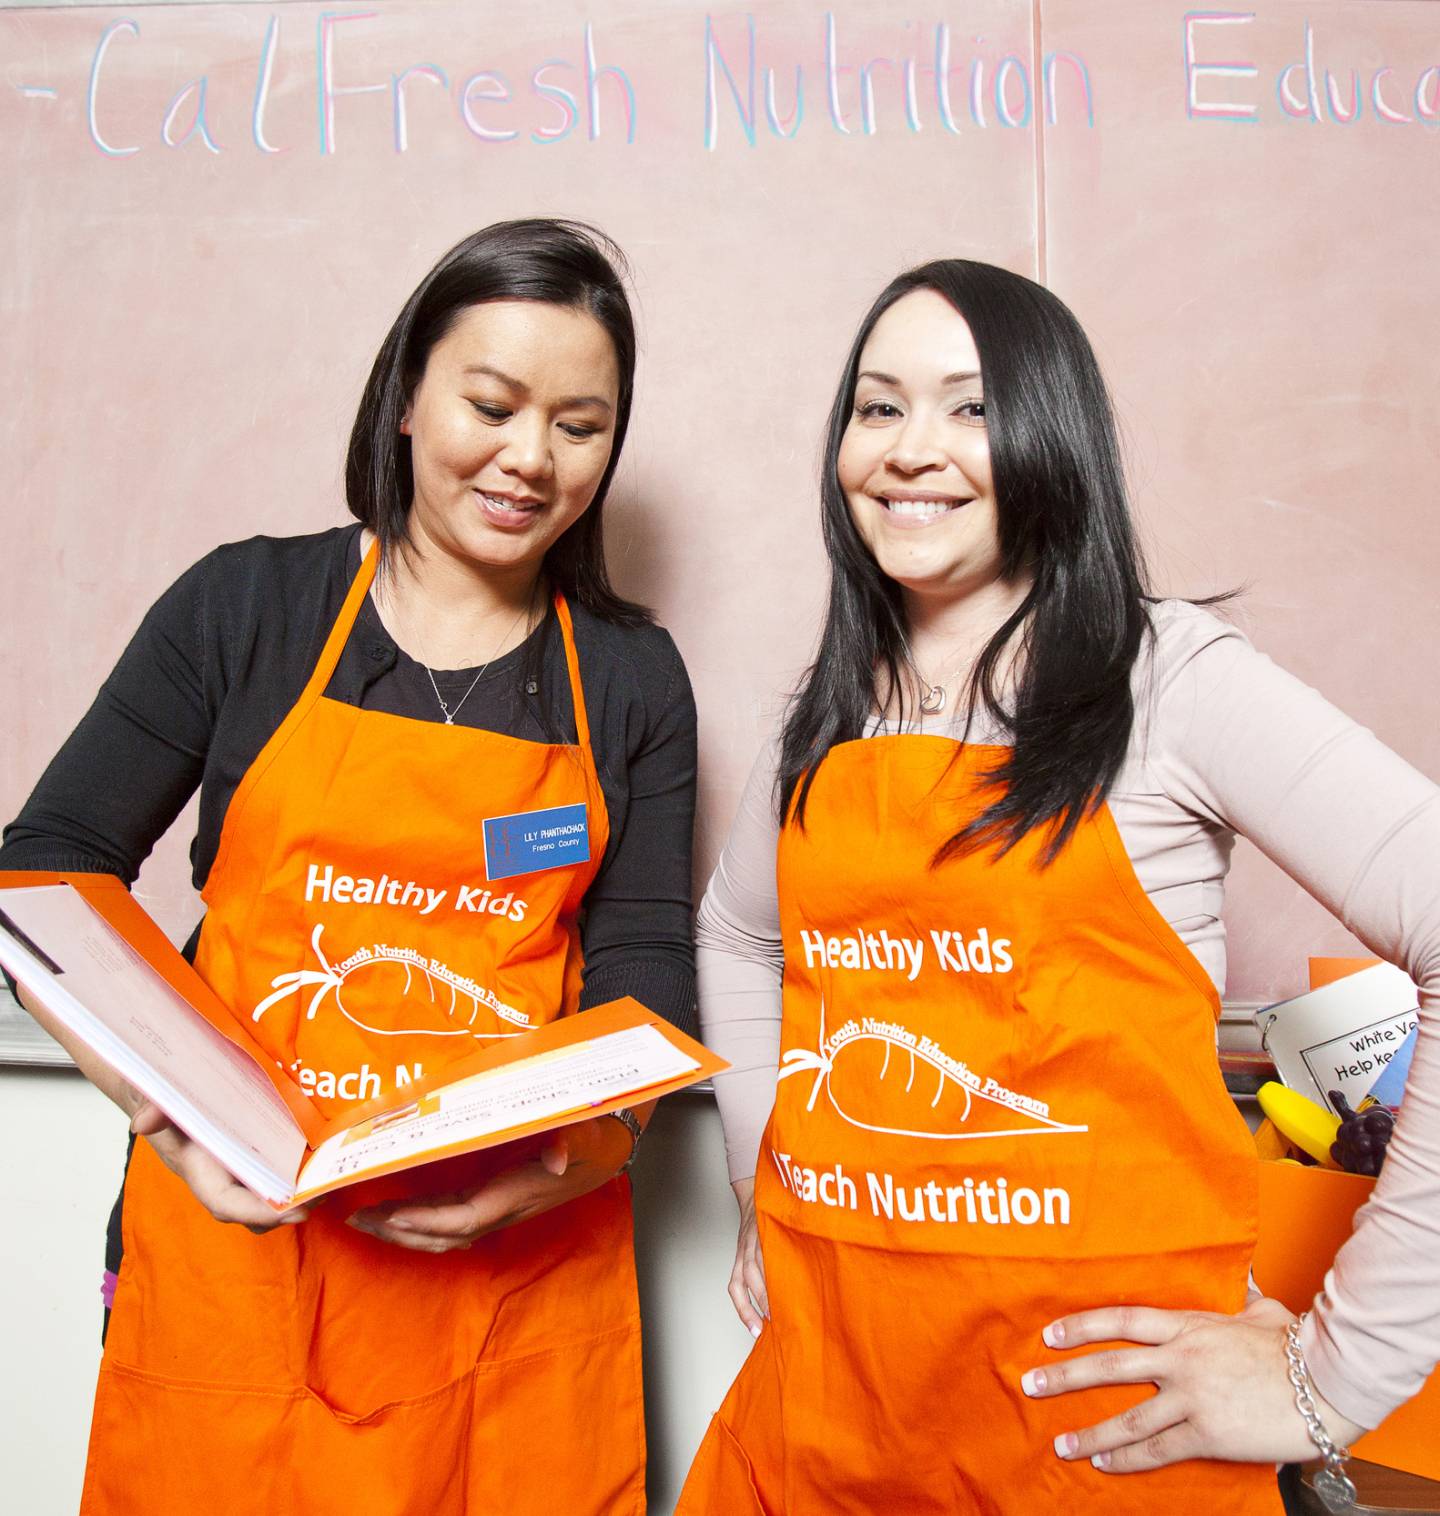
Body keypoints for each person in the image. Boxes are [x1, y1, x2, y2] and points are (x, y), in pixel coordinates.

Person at [677, 259, 1440, 1514]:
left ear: (1052, 433)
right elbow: (737, 936)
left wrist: (1334, 1379)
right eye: (878, 407)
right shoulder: (828, 710)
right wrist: (765, 1182)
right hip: (822, 1421)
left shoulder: (1173, 681)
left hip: (1093, 1454)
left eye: (970, 407)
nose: (912, 448)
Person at [1, 219, 697, 1514]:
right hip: (241, 1260)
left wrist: (574, 1162)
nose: (530, 458)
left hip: (516, 1283)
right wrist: (169, 1113)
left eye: (581, 425)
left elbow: (648, 977)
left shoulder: (630, 676)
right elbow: (48, 870)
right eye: (492, 404)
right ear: (406, 400)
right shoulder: (246, 610)